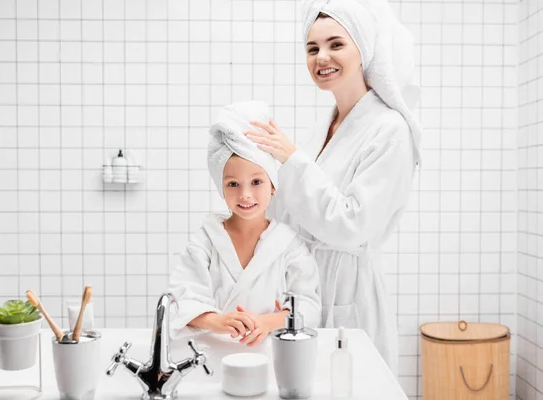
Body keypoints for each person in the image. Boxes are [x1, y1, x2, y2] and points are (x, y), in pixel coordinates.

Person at [244, 0, 422, 372]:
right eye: (312, 48)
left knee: (347, 383)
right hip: (302, 288)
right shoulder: (322, 128)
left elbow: (352, 225)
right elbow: (297, 209)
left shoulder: (390, 130)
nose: (321, 56)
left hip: (347, 292)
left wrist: (292, 161)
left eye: (335, 44)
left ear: (364, 48)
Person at [168, 101, 321, 347]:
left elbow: (308, 306)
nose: (245, 195)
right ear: (221, 188)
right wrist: (216, 321)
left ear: (273, 185)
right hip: (212, 352)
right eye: (233, 184)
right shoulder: (206, 240)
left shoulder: (288, 245)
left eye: (257, 182)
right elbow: (182, 298)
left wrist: (268, 322)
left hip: (271, 354)